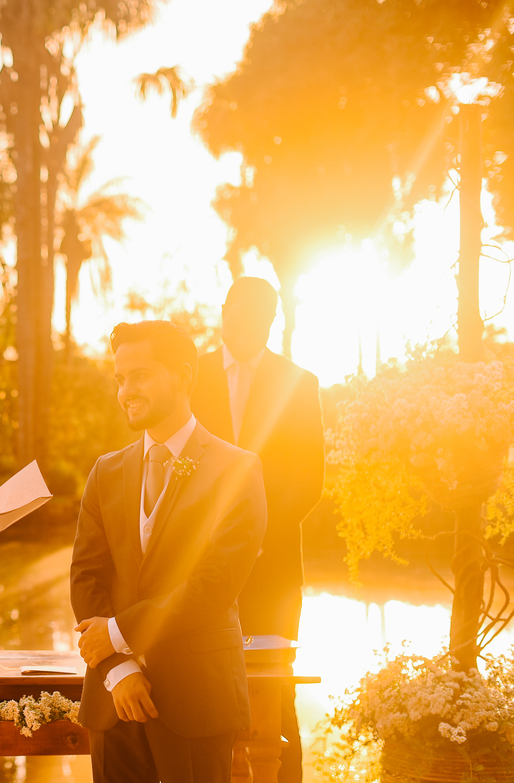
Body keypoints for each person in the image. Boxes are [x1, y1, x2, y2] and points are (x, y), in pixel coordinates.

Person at [71, 320, 267, 783]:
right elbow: (85, 576)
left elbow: (214, 585)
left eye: (139, 375)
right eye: (120, 379)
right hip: (112, 700)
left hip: (196, 697)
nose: (125, 391)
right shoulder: (105, 471)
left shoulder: (237, 469)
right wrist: (118, 669)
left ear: (184, 375)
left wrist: (117, 633)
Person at [191, 277, 325, 782]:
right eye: (237, 313)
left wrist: (257, 534)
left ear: (272, 322)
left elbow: (309, 476)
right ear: (223, 311)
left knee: (276, 695)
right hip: (197, 565)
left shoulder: (299, 382)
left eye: (258, 318)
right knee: (200, 693)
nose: (245, 325)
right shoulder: (189, 377)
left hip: (273, 571)